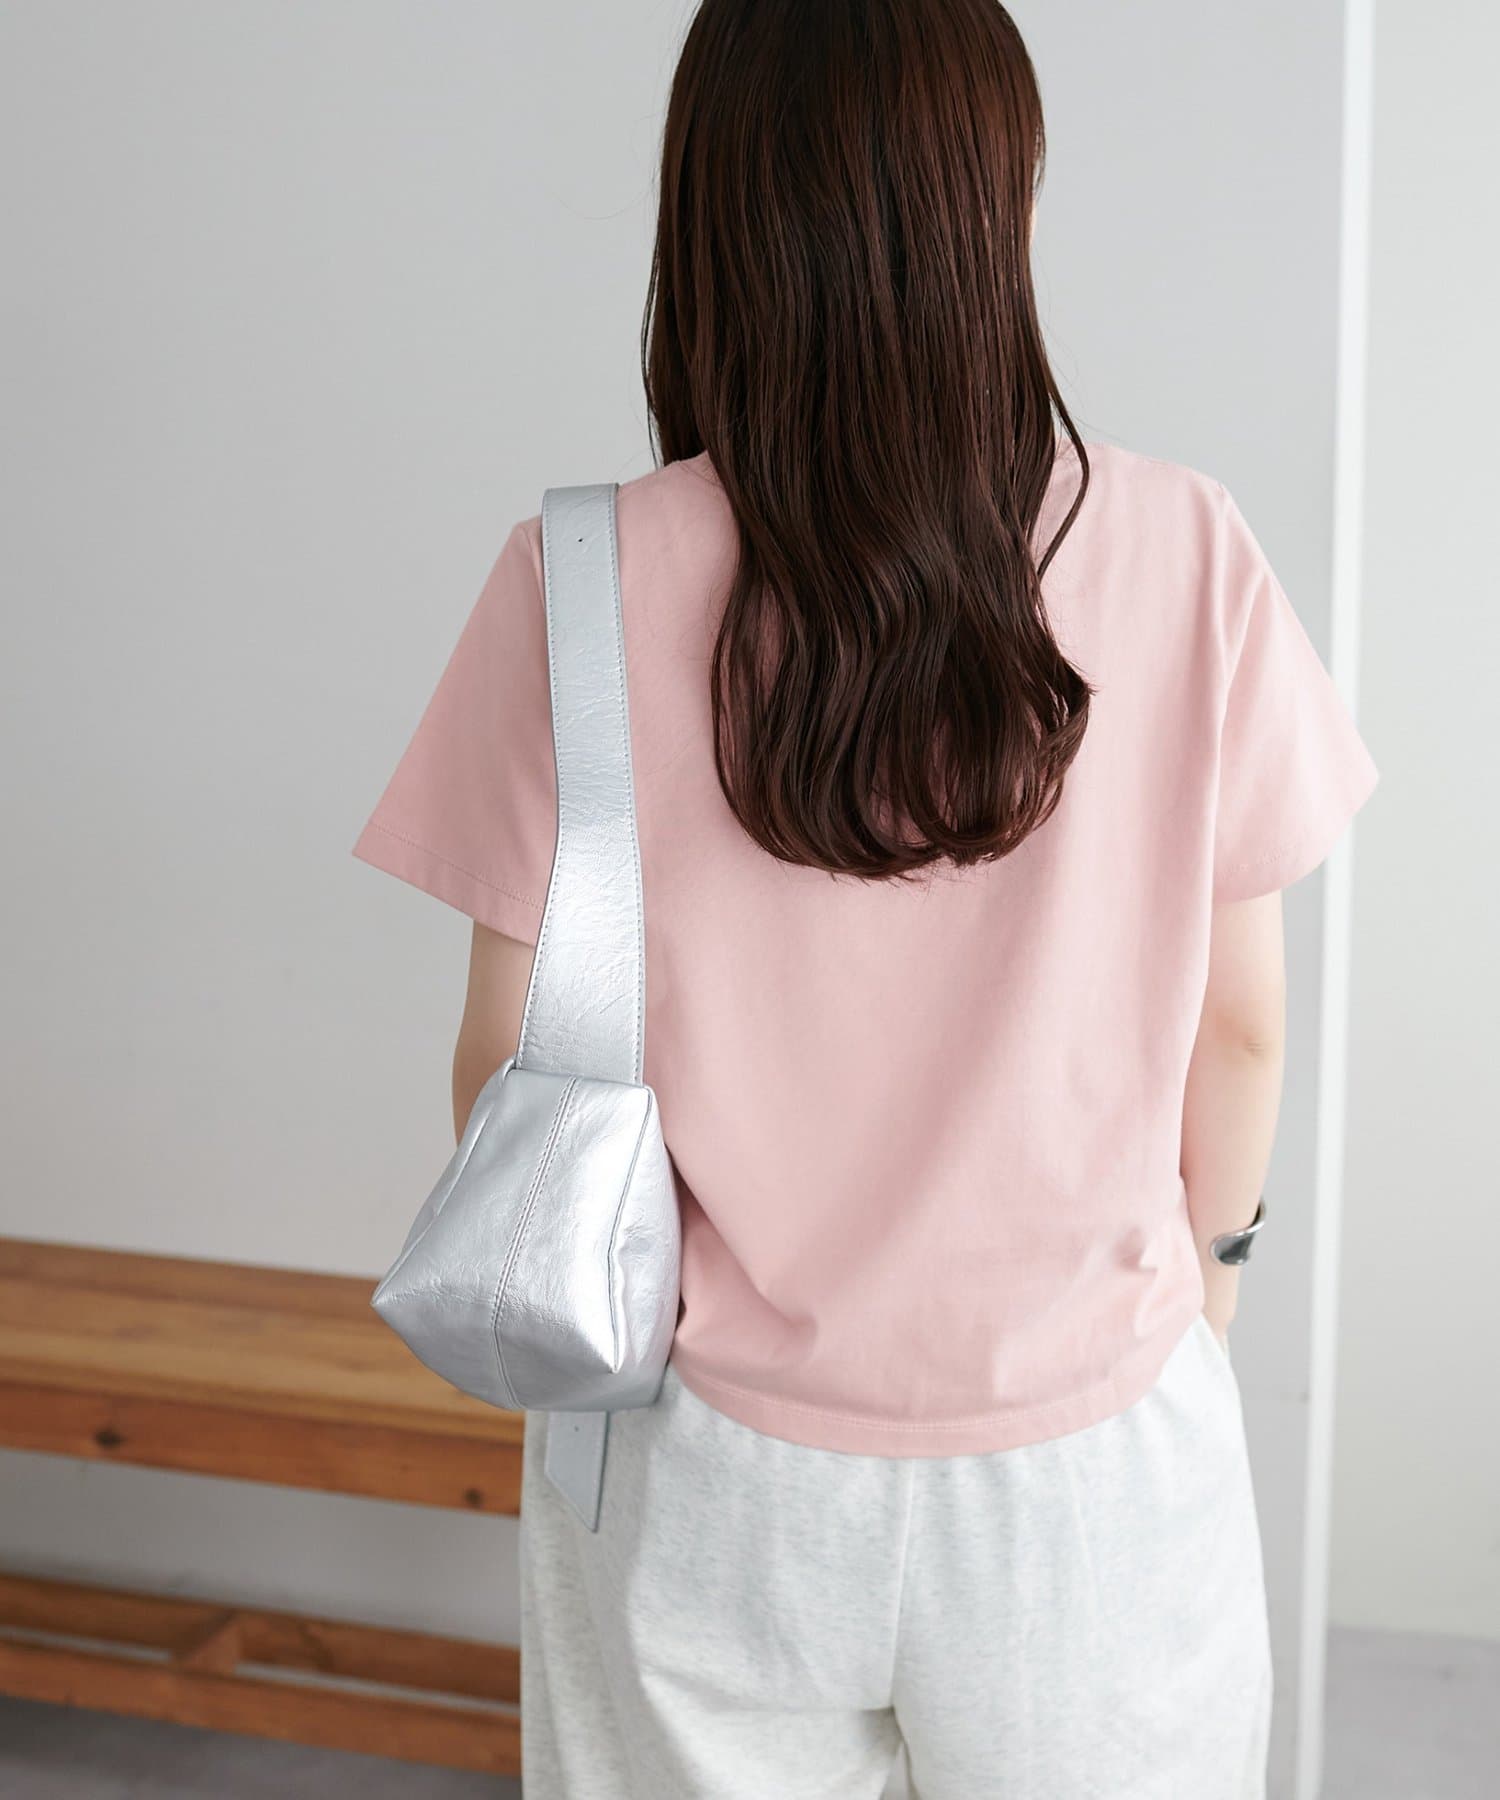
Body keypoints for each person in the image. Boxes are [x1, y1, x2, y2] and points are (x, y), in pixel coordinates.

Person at [352, 2, 1378, 1794]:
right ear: (1003, 205)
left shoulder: (576, 576)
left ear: (714, 221)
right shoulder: (1187, 548)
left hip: (707, 1462)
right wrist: (1209, 1283)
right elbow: (1240, 1028)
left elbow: (506, 1062)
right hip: (1092, 1458)